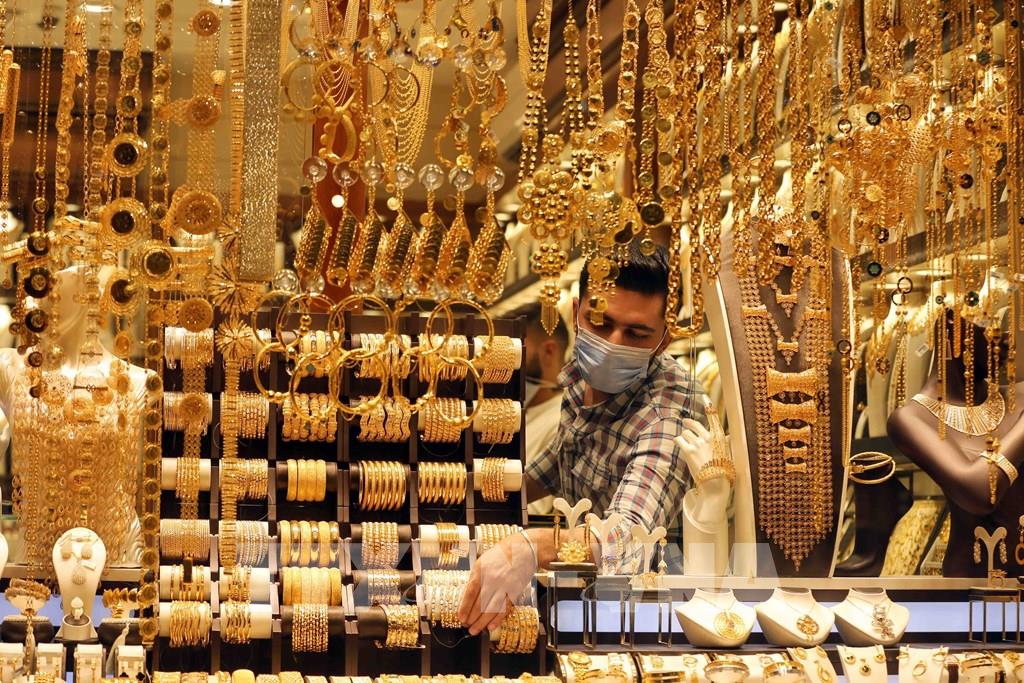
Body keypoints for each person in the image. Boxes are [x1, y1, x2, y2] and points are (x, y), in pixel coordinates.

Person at [459, 244, 709, 635]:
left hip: (646, 620)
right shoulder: (581, 371)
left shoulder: (669, 410)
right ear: (576, 312)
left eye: (636, 333)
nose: (612, 343)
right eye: (600, 322)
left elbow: (629, 539)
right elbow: (562, 461)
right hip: (577, 603)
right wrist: (452, 491)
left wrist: (532, 546)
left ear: (664, 338)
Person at [509, 301, 570, 516]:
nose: (505, 365)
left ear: (549, 351)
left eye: (514, 354)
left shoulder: (563, 422)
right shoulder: (514, 411)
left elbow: (530, 511)